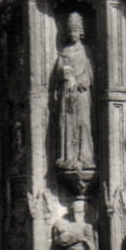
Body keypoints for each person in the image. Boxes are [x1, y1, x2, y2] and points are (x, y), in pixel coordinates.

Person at [52, 12, 95, 183]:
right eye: (70, 31)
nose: (73, 34)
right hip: (68, 93)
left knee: (83, 124)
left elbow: (91, 73)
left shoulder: (86, 51)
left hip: (82, 93)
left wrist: (83, 80)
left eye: (76, 31)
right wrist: (64, 73)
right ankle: (68, 156)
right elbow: (58, 71)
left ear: (81, 32)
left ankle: (85, 156)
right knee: (67, 124)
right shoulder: (65, 51)